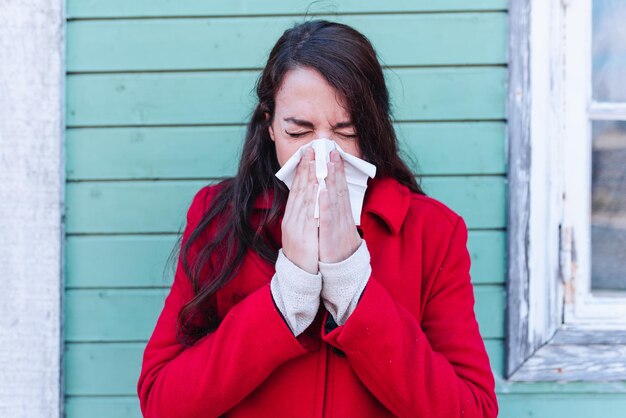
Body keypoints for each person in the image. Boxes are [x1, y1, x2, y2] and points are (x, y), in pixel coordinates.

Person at [137, 19, 498, 418]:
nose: (322, 157)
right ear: (271, 125)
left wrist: (352, 289)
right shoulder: (218, 218)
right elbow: (162, 404)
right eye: (299, 132)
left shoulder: (432, 232)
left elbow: (472, 410)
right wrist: (284, 300)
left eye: (345, 131)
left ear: (370, 129)